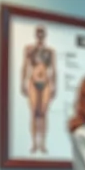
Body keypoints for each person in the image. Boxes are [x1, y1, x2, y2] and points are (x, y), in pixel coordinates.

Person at [21, 25, 57, 154]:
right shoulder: (30, 49)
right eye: (38, 33)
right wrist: (23, 82)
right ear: (36, 34)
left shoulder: (50, 51)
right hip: (33, 82)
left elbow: (53, 69)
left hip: (46, 82)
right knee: (34, 113)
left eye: (42, 33)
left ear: (45, 35)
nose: (40, 35)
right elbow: (25, 66)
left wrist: (54, 86)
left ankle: (43, 144)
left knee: (43, 113)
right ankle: (34, 144)